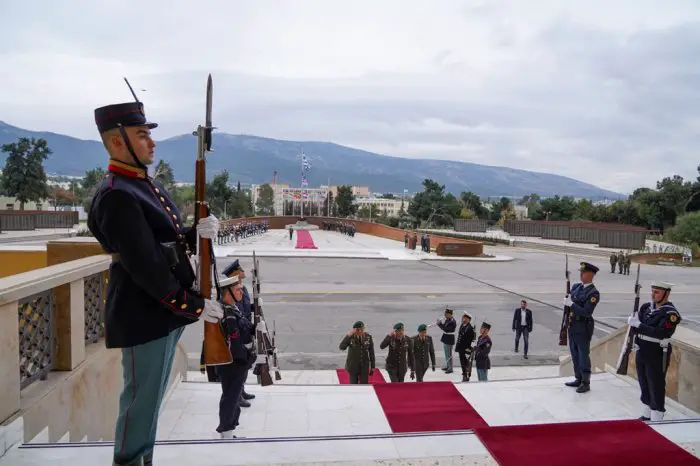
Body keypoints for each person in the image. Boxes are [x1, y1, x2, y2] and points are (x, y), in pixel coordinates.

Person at [88, 100, 223, 466]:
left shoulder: (142, 185)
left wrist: (198, 232)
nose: (152, 143)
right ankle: (129, 461)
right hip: (144, 313)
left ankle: (144, 458)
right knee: (140, 401)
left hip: (161, 314)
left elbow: (166, 241)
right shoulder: (118, 194)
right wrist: (193, 305)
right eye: (143, 135)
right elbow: (146, 267)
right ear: (118, 142)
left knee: (150, 401)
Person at [628, 281, 681, 421]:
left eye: (657, 292)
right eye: (652, 291)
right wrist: (634, 326)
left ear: (666, 294)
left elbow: (662, 333)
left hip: (657, 352)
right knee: (643, 381)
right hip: (642, 349)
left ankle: (657, 413)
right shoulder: (646, 307)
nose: (653, 294)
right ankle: (647, 410)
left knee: (655, 383)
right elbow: (637, 326)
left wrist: (639, 325)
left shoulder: (671, 314)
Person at [213, 276, 257, 438]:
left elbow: (244, 328)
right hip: (233, 363)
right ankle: (226, 430)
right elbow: (235, 342)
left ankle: (228, 429)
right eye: (238, 290)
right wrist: (246, 360)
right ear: (228, 293)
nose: (241, 292)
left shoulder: (232, 309)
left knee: (232, 395)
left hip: (233, 363)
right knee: (231, 397)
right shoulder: (229, 314)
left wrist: (254, 328)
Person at [222, 259, 256, 408]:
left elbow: (246, 306)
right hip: (240, 327)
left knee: (245, 363)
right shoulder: (230, 291)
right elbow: (237, 310)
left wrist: (256, 306)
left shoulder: (242, 288)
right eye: (241, 270)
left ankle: (242, 390)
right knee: (240, 362)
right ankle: (238, 393)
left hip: (246, 327)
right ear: (235, 273)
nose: (244, 272)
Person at [563, 262, 600, 394]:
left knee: (583, 355)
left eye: (583, 273)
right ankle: (578, 378)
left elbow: (586, 311)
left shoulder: (594, 293)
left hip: (583, 326)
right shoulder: (576, 287)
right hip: (572, 324)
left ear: (591, 275)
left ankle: (586, 382)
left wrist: (571, 304)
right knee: (574, 353)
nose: (581, 274)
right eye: (580, 272)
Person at [455, 311, 476, 382]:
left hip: (466, 350)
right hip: (461, 349)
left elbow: (471, 342)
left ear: (469, 320)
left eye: (466, 318)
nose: (464, 319)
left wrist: (468, 351)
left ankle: (466, 377)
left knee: (467, 364)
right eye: (464, 317)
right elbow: (459, 337)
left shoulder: (470, 329)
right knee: (462, 363)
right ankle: (464, 374)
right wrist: (457, 347)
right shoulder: (462, 325)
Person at [437, 308, 457, 373]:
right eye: (445, 314)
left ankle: (450, 368)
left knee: (449, 355)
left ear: (450, 314)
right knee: (446, 354)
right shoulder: (447, 320)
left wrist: (439, 324)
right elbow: (444, 326)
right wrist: (439, 323)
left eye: (446, 314)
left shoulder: (452, 322)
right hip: (445, 338)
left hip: (449, 339)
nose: (445, 315)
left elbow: (447, 329)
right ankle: (447, 366)